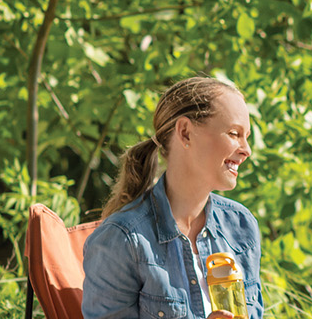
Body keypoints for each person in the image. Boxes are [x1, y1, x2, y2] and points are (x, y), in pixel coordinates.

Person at [83, 77, 264, 319]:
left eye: (247, 136)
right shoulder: (123, 240)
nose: (246, 149)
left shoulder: (241, 227)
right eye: (234, 133)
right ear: (185, 132)